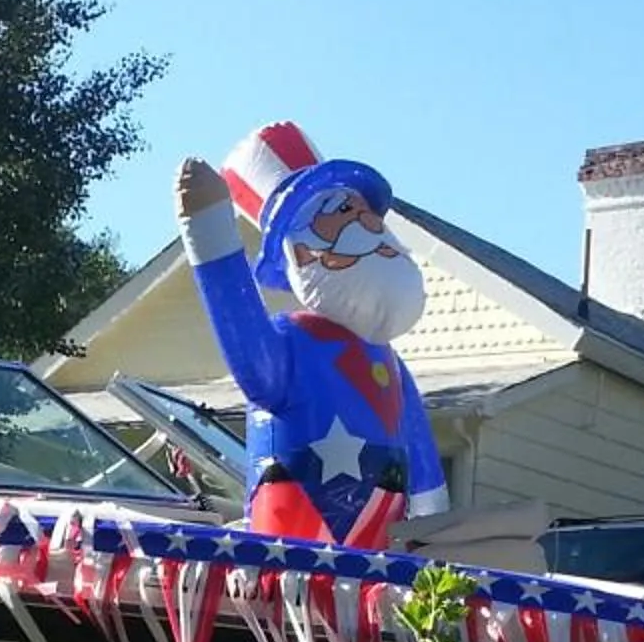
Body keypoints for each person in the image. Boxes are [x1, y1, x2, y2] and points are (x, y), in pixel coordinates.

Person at [174, 121, 448, 544]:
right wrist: (211, 234)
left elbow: (420, 453)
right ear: (298, 255)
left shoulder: (389, 361)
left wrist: (434, 528)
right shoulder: (293, 342)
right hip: (292, 550)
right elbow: (246, 345)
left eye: (362, 211)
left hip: (378, 550)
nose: (362, 222)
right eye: (340, 211)